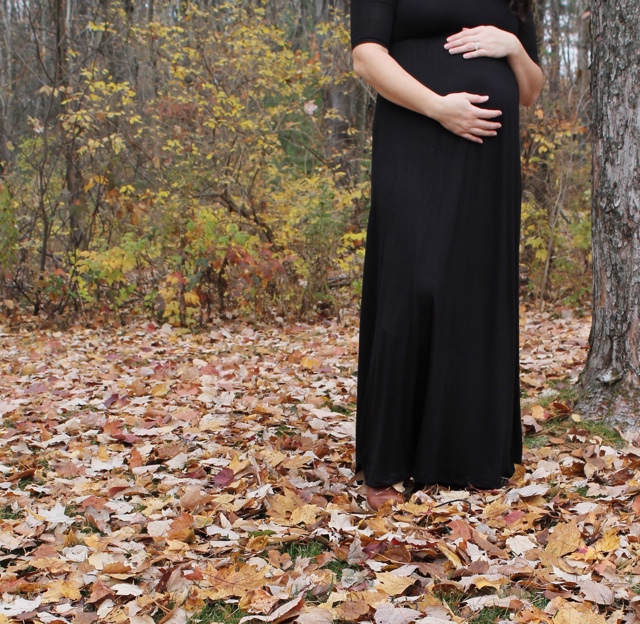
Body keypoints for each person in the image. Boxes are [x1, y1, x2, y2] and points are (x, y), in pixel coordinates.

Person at [350, 0, 545, 511]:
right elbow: (366, 58)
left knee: (472, 291)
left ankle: (467, 457)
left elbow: (530, 90)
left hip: (486, 158)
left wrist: (514, 48)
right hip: (415, 134)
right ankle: (389, 462)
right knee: (412, 283)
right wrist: (439, 106)